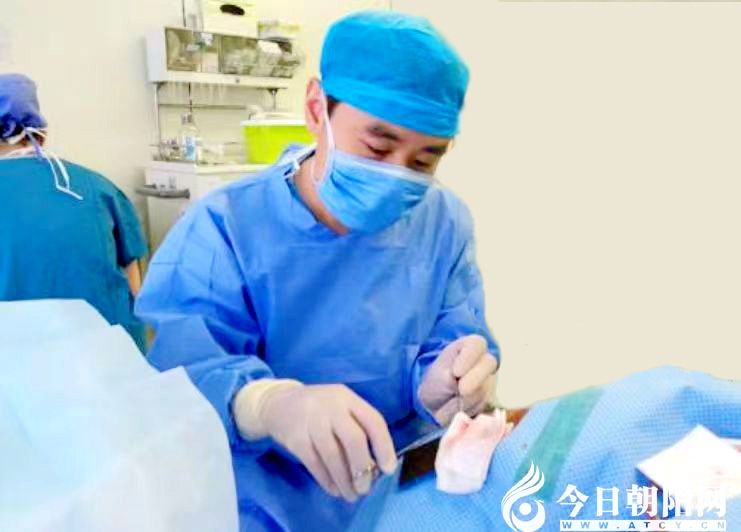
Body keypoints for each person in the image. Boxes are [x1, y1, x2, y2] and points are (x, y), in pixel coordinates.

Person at [136, 10, 500, 530]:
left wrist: (444, 380)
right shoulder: (227, 226)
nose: (397, 175)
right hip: (262, 501)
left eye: (424, 162)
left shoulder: (443, 222)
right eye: (377, 147)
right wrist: (271, 404)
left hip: (399, 490)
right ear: (315, 109)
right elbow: (185, 370)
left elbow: (454, 333)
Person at [0, 73, 148, 352]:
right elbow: (134, 288)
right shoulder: (96, 187)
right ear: (41, 133)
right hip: (105, 356)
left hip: (13, 360)